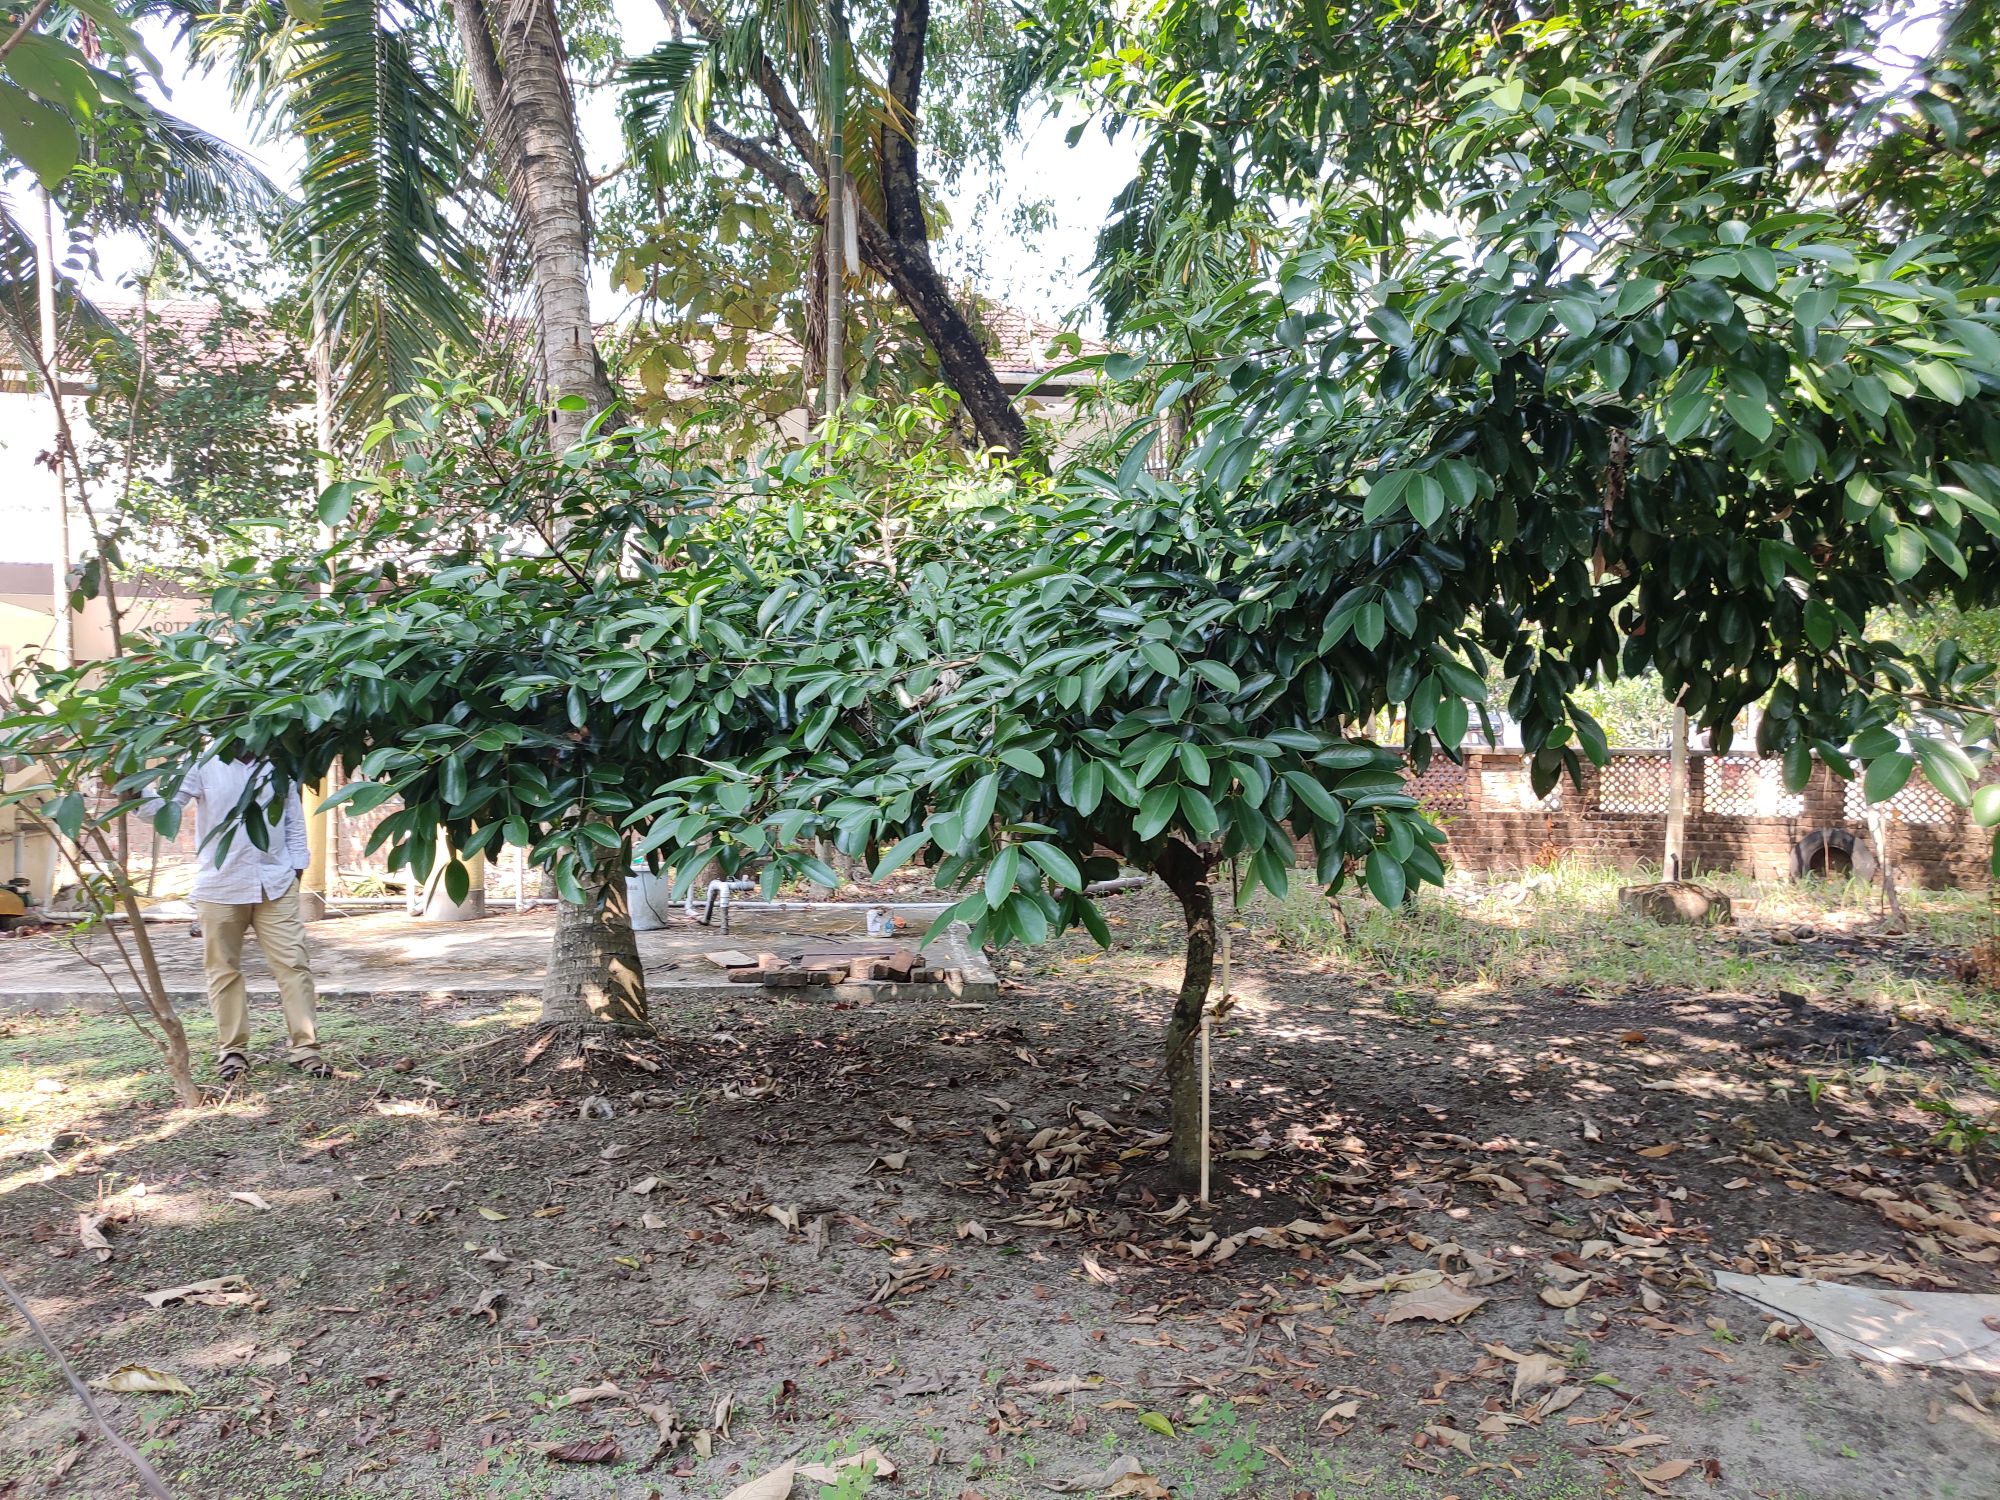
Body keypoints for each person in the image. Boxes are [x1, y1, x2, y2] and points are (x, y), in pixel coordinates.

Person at [147, 757, 328, 1083]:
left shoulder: (278, 763)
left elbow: (293, 819)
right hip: (220, 885)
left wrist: (295, 870)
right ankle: (233, 1052)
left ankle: (307, 1051)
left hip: (276, 883)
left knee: (294, 963)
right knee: (223, 970)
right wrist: (132, 788)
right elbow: (165, 813)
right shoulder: (202, 763)